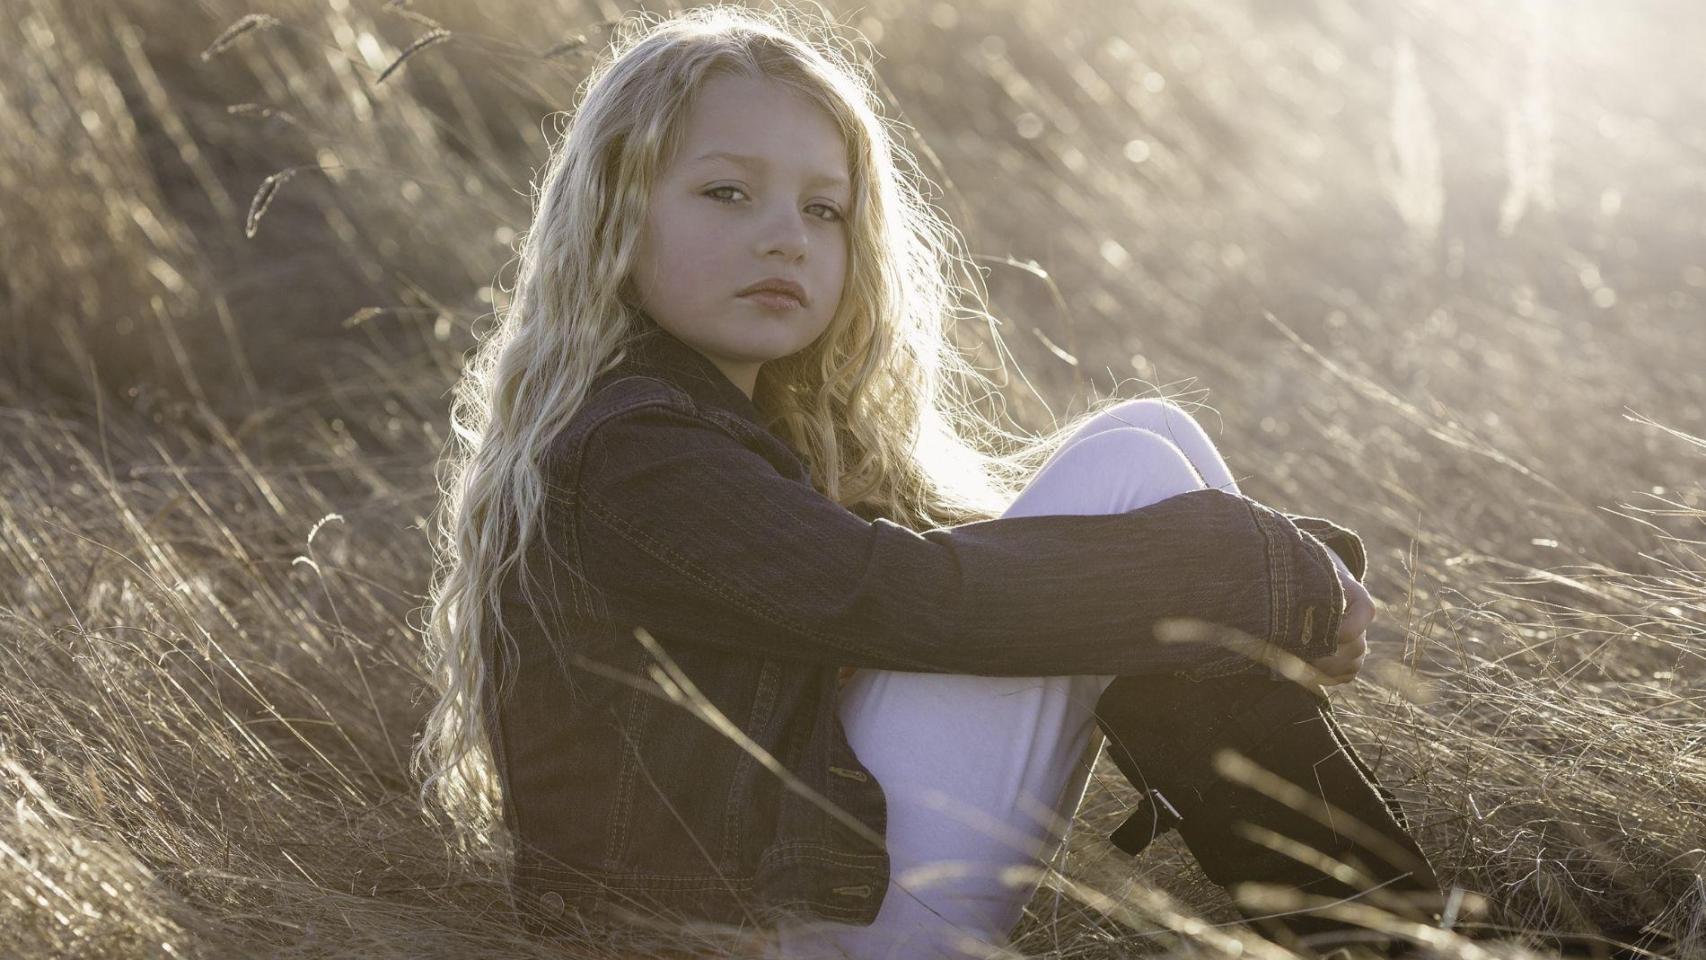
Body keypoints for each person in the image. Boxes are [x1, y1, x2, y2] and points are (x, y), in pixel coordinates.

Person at [412, 5, 1440, 958]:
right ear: (613, 214)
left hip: (800, 909)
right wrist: (1247, 568)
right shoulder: (635, 450)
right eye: (726, 192)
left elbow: (954, 570)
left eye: (823, 210)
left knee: (1145, 440)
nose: (783, 235)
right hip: (742, 935)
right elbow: (900, 596)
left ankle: (1373, 930)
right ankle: (1388, 935)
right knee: (1134, 480)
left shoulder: (712, 424)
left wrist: (1264, 564)